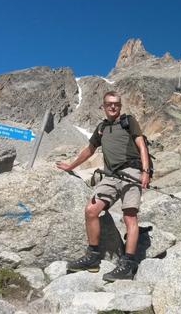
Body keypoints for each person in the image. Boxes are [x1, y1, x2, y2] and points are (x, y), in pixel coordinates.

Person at [56, 91, 151, 281]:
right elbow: (89, 150)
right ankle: (93, 256)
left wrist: (145, 172)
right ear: (104, 106)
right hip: (110, 176)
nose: (113, 107)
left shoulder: (128, 121)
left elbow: (141, 145)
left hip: (131, 172)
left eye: (116, 104)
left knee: (129, 217)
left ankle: (128, 264)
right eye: (109, 104)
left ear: (120, 106)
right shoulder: (101, 128)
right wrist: (71, 165)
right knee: (91, 210)